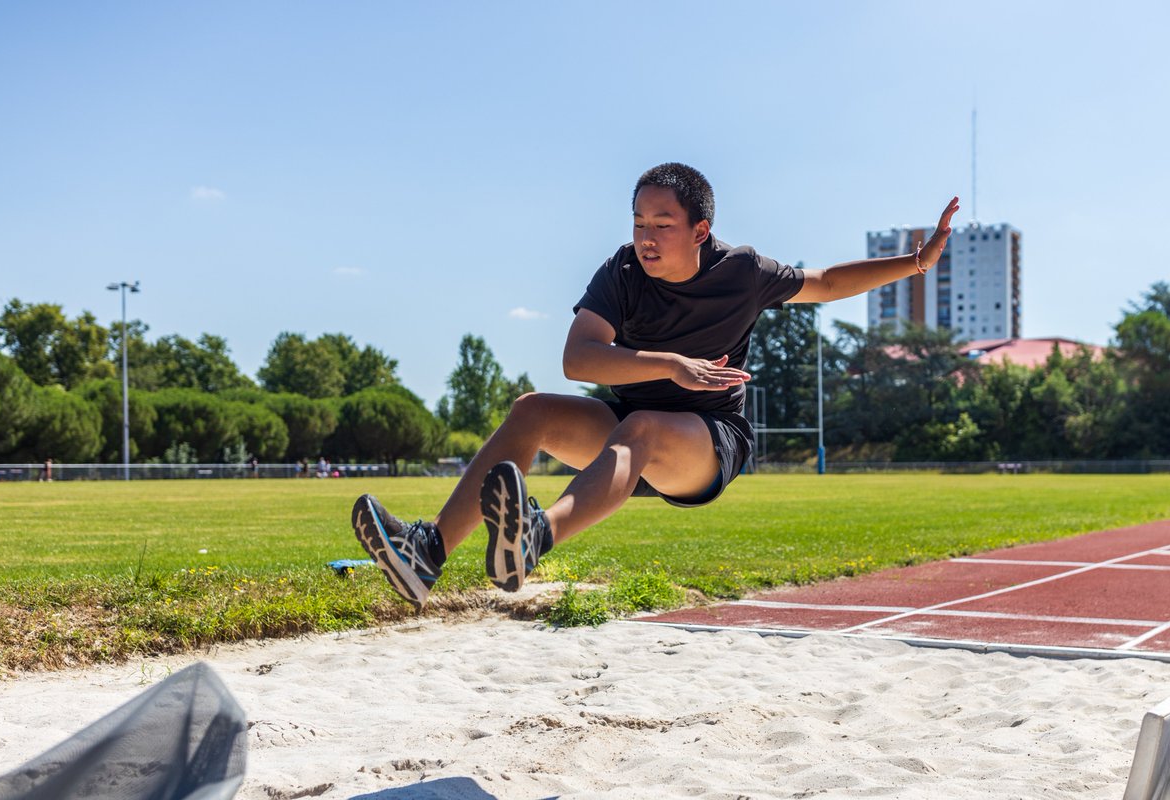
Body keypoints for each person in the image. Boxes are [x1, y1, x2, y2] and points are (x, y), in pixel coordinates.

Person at [352, 162, 959, 609]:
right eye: (639, 220)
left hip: (707, 444)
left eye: (663, 224)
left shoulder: (742, 272)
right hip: (626, 431)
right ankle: (425, 554)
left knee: (641, 427)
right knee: (532, 410)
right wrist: (670, 364)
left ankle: (536, 537)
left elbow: (824, 282)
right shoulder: (621, 271)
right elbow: (579, 359)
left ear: (699, 232)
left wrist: (916, 262)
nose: (646, 236)